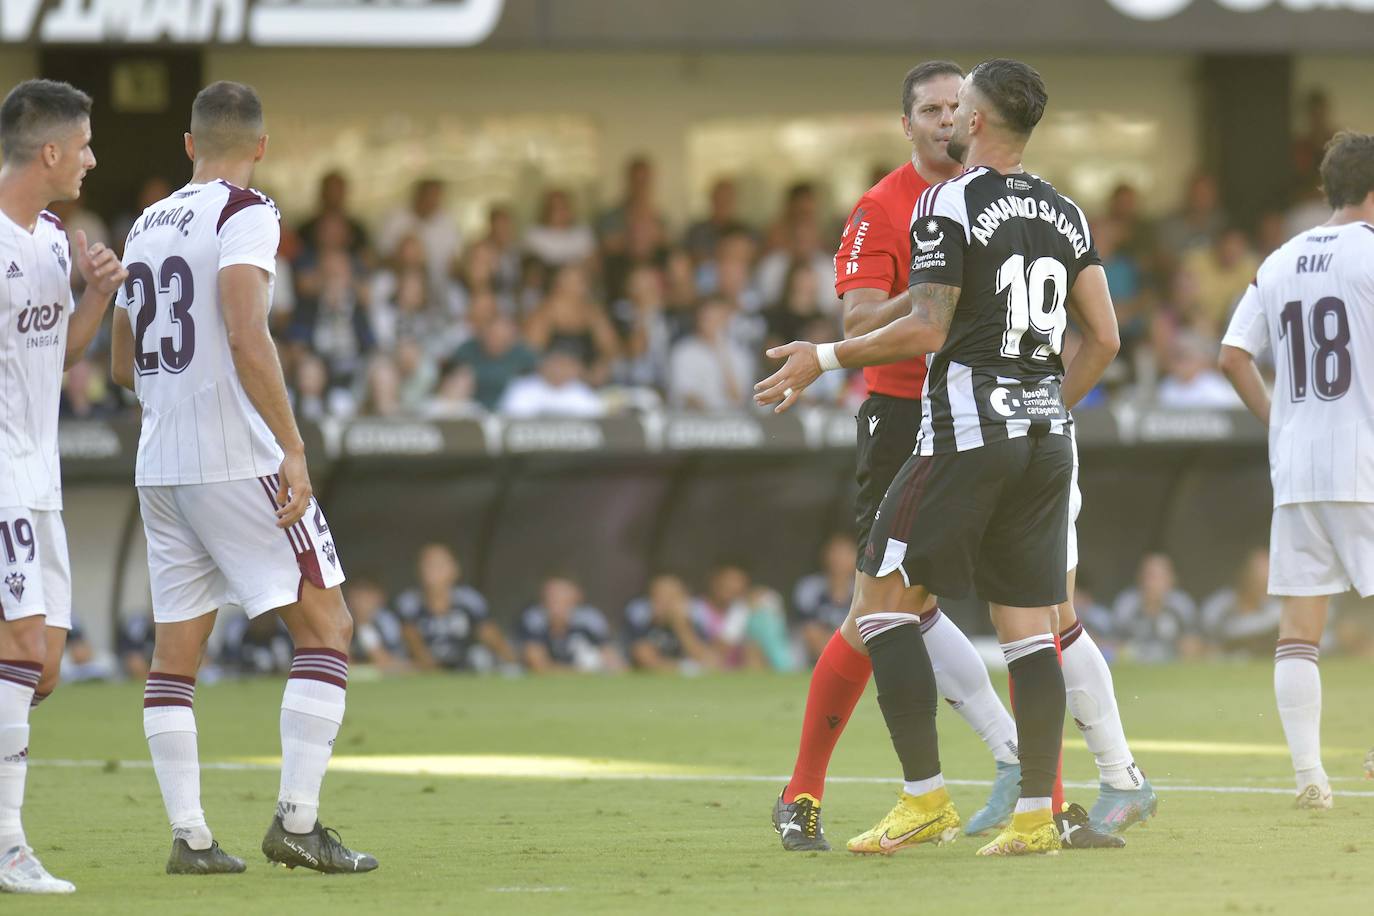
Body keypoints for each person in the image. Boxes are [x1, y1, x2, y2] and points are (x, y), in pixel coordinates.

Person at [756, 60, 1122, 857]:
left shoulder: (945, 204)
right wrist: (1048, 403)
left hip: (957, 423)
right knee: (1021, 618)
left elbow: (926, 326)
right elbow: (1105, 336)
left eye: (959, 104)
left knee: (886, 604)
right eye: (933, 106)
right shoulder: (1042, 205)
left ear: (977, 121)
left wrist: (823, 357)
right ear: (911, 122)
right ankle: (1031, 806)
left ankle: (936, 796)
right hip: (981, 424)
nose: (947, 116)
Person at [110, 82, 376, 876]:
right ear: (259, 147)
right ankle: (297, 821)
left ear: (188, 145)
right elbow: (244, 326)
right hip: (235, 455)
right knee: (328, 628)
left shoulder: (144, 225)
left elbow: (126, 363)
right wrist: (291, 446)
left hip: (160, 463)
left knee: (174, 657)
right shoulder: (245, 212)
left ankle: (190, 838)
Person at [1219, 130, 1374, 809]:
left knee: (1299, 629)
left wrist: (1279, 420)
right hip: (1365, 459)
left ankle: (1310, 776)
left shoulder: (1278, 261)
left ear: (1326, 190)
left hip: (1299, 466)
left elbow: (1231, 355)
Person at [0, 78, 127, 895]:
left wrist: (97, 297)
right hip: (1, 480)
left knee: (42, 665)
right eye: (82, 145)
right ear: (48, 152)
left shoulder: (51, 239)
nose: (91, 157)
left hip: (38, 476)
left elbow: (65, 356)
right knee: (18, 649)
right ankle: (9, 847)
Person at [393, 543, 516, 672]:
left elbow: (488, 631)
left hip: (463, 663)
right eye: (429, 565)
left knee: (480, 657)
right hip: (423, 665)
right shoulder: (409, 602)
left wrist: (510, 658)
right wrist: (427, 662)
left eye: (440, 565)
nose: (434, 571)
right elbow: (411, 637)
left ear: (454, 570)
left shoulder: (469, 599)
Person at [516, 575, 622, 673]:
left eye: (562, 597)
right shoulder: (534, 619)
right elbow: (538, 665)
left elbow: (614, 661)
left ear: (576, 597)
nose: (556, 603)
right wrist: (583, 671)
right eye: (552, 596)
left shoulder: (590, 619)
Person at [624, 574, 717, 672]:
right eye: (659, 597)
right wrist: (688, 668)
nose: (665, 602)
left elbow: (711, 662)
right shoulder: (641, 624)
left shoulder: (693, 624)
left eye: (671, 597)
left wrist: (681, 627)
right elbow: (646, 660)